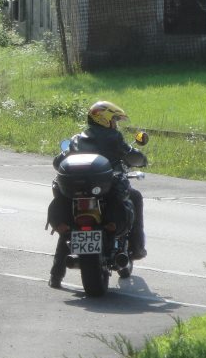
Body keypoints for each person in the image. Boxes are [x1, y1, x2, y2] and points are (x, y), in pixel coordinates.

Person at [47, 100, 148, 288]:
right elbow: (131, 156)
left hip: (77, 190)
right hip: (106, 190)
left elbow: (57, 162)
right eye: (114, 120)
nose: (115, 124)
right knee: (135, 197)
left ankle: (56, 276)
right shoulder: (113, 138)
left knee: (70, 227)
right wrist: (141, 159)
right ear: (104, 119)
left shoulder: (77, 139)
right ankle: (137, 248)